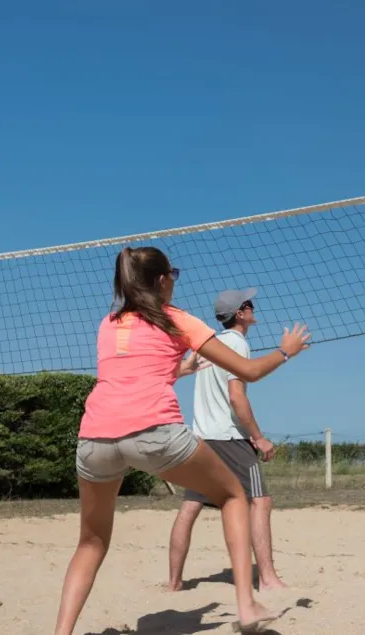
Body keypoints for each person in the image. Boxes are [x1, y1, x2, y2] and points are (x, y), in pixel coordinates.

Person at [52, 246, 310, 635]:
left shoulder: (109, 323)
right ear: (162, 280)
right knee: (233, 496)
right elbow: (250, 372)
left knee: (90, 543)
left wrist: (178, 370)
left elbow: (133, 377)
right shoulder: (177, 319)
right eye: (173, 273)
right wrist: (285, 352)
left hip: (94, 438)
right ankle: (247, 605)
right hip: (154, 433)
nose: (175, 280)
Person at [168, 288, 287, 592]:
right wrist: (259, 438)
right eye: (248, 304)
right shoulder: (236, 344)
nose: (253, 307)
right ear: (240, 313)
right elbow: (237, 398)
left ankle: (174, 582)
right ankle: (268, 578)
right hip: (229, 438)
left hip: (203, 437)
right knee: (261, 501)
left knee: (191, 506)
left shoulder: (210, 346)